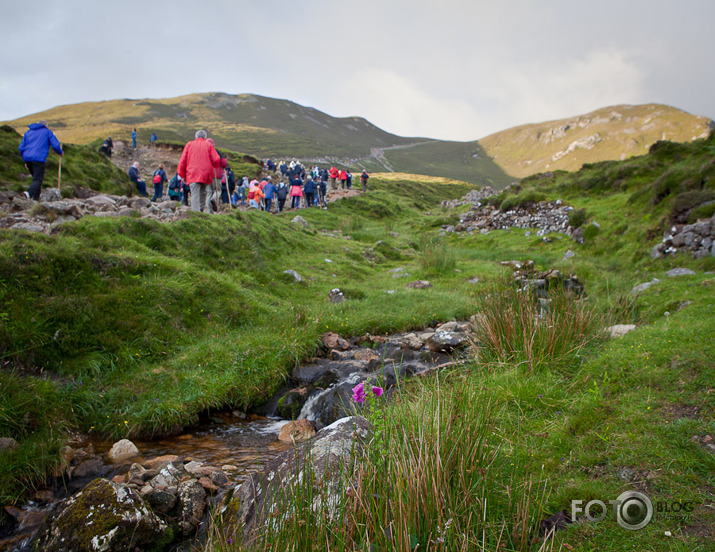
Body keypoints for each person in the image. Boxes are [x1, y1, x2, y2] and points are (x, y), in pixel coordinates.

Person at [177, 130, 221, 213]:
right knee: (203, 191)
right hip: (206, 173)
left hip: (192, 172)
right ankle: (201, 210)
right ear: (205, 137)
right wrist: (214, 165)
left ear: (195, 137)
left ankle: (195, 212)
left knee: (194, 192)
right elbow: (216, 159)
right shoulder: (209, 145)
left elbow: (183, 160)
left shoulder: (189, 144)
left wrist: (181, 174)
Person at [19, 120, 64, 201]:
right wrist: (60, 152)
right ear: (46, 126)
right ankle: (28, 193)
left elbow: (21, 147)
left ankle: (35, 200)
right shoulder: (48, 132)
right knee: (38, 179)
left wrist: (25, 160)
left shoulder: (28, 133)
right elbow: (56, 145)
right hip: (38, 158)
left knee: (36, 179)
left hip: (28, 158)